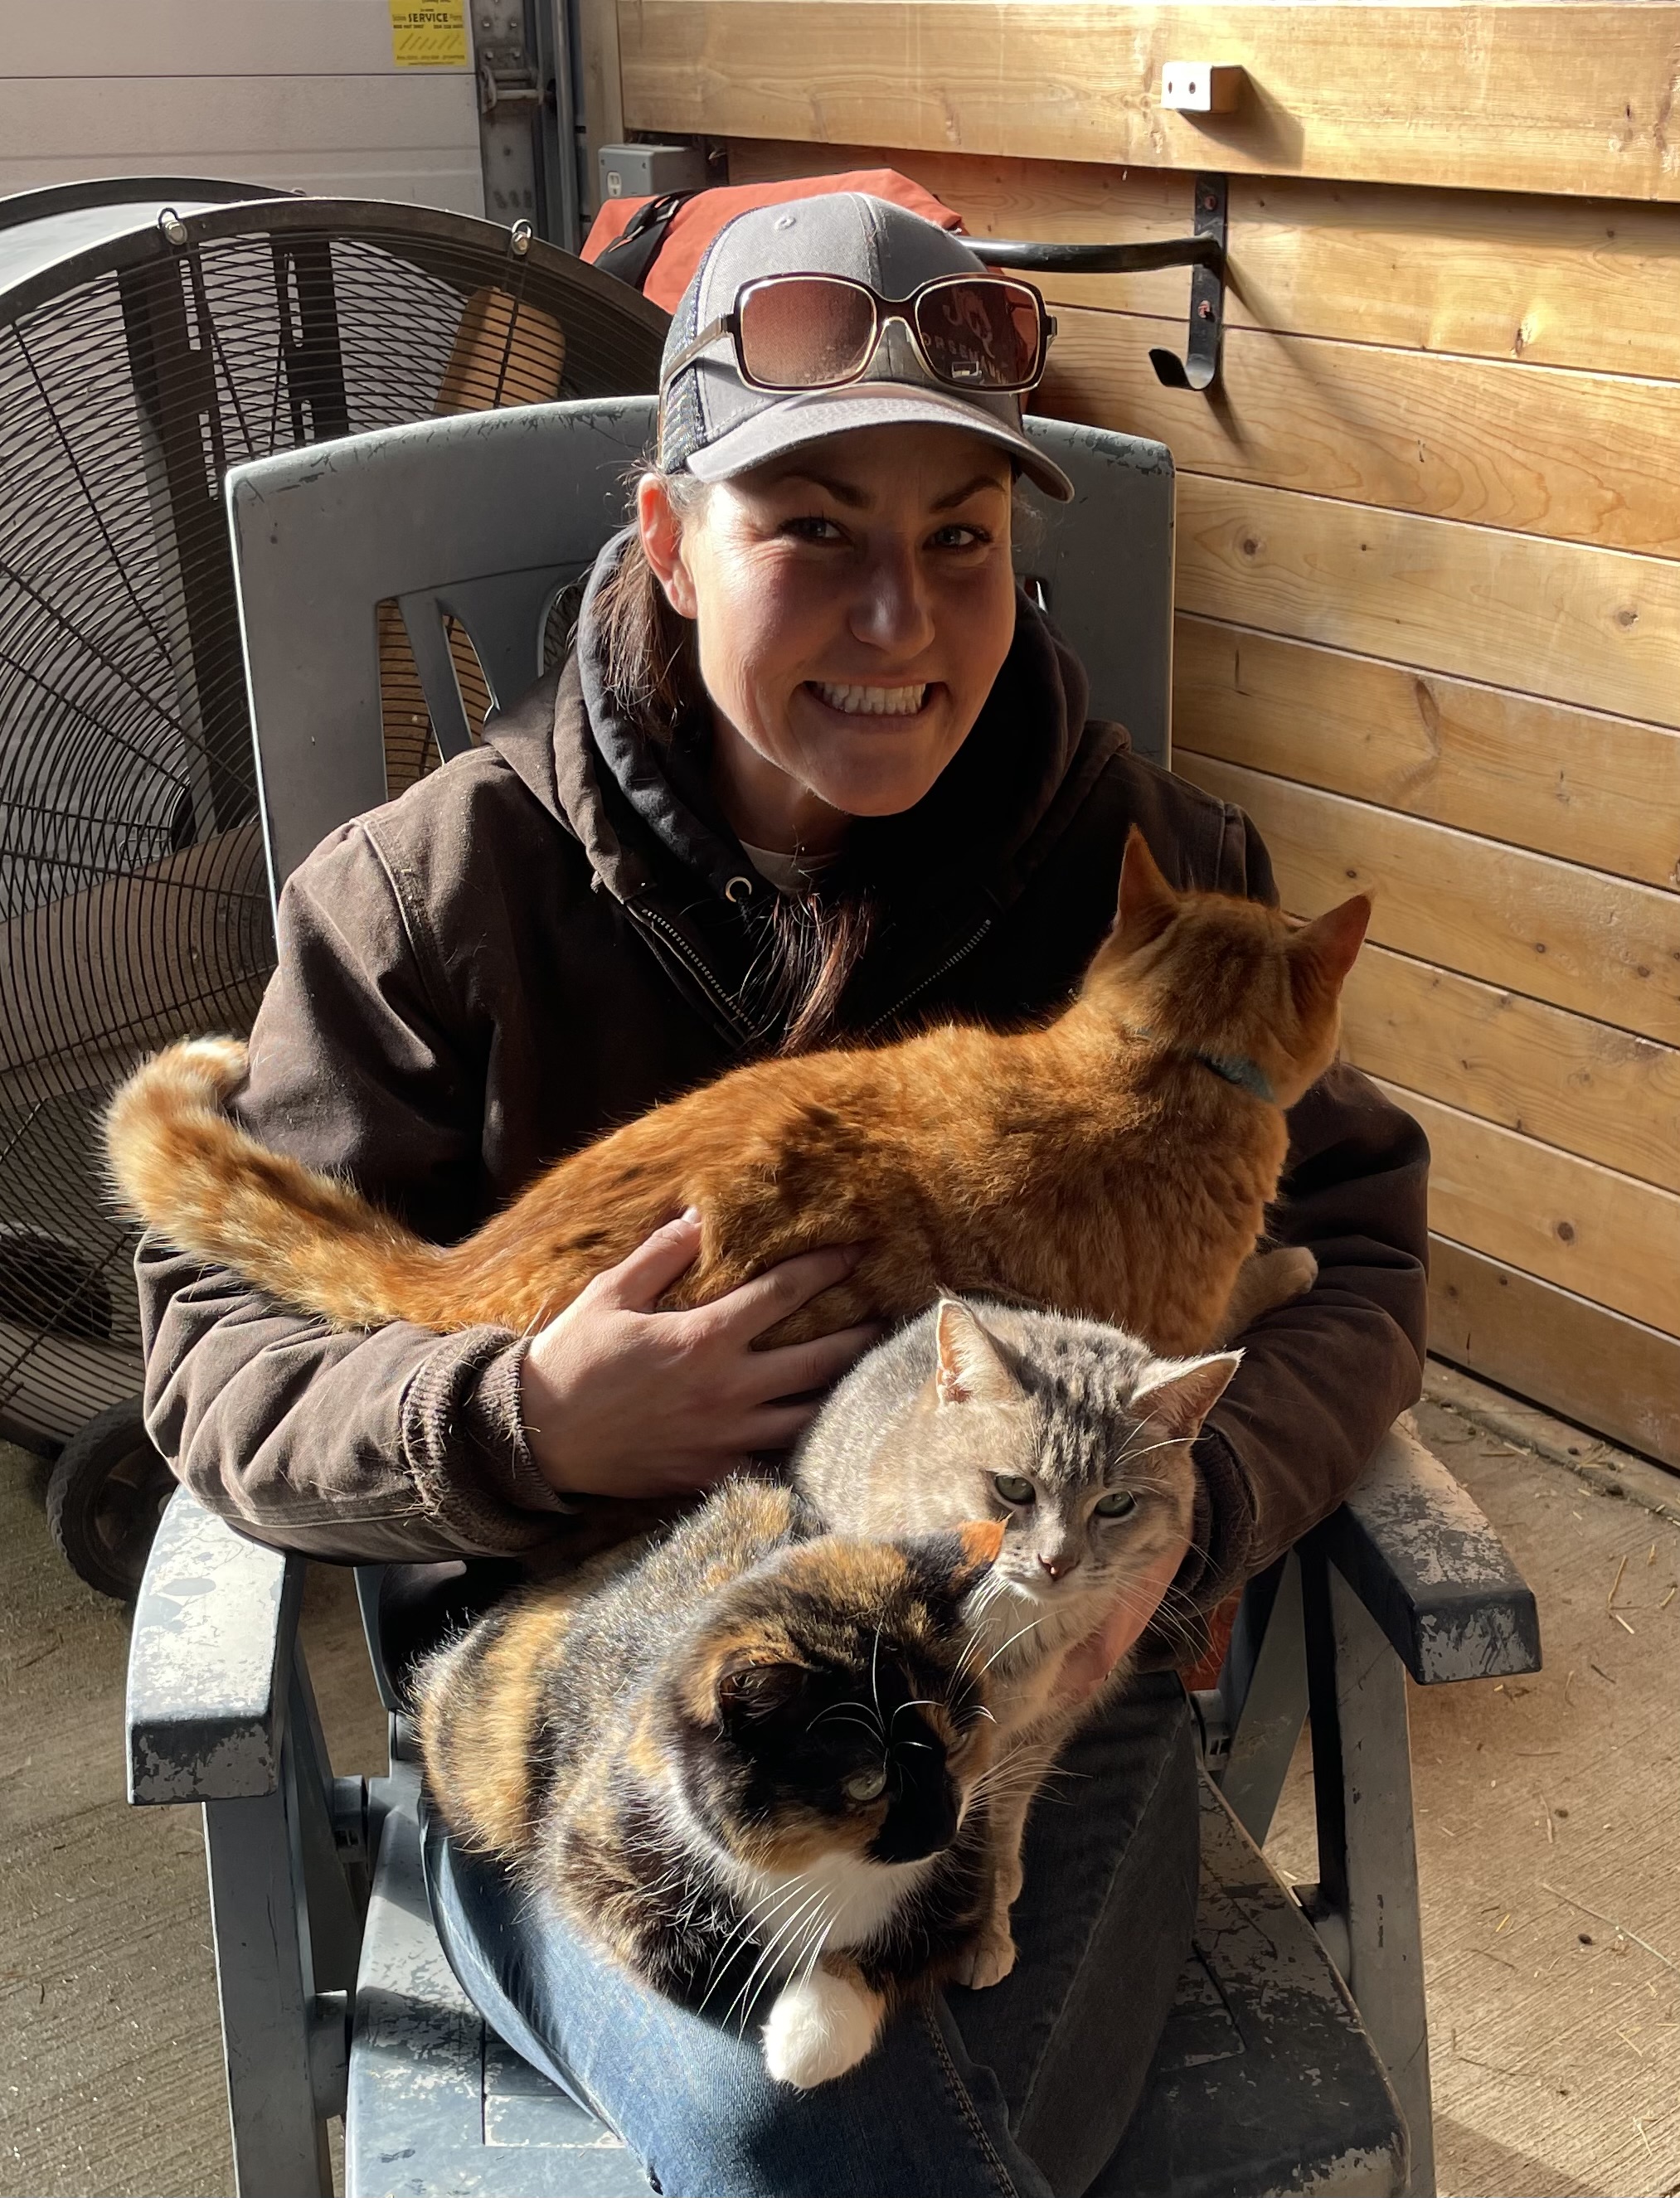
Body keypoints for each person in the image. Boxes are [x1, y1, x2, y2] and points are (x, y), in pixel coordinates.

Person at [137, 194, 1428, 2198]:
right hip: (586, 1668)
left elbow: (1358, 1247)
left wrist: (1195, 1504)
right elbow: (220, 1359)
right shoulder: (426, 894)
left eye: (957, 542)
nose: (897, 624)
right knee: (823, 2140)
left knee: (875, 2148)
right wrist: (516, 1422)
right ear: (664, 536)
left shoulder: (1155, 873)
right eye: (809, 528)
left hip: (1011, 1659)